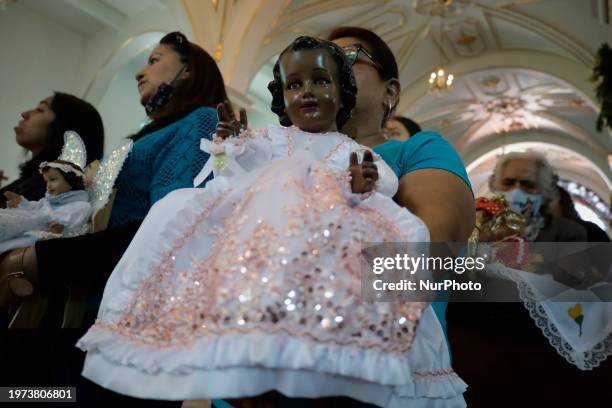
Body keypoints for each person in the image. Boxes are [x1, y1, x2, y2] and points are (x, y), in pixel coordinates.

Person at [76, 36, 466, 407]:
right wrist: (228, 146)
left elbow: (437, 240)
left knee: (398, 237)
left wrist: (362, 187)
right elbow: (228, 176)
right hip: (265, 239)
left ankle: (341, 354)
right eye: (295, 83)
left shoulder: (375, 150)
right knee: (181, 214)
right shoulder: (272, 140)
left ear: (377, 90)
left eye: (327, 74)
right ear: (282, 95)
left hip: (331, 249)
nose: (308, 91)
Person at [0, 31, 227, 406]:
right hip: (86, 307)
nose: (141, 71)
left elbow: (171, 227)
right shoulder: (147, 135)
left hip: (129, 324)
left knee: (49, 395)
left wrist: (40, 260)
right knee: (24, 394)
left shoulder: (200, 121)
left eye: (155, 60)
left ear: (187, 71)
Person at [328, 26, 475, 351]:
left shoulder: (419, 150)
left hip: (382, 352)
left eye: (346, 57)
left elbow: (437, 245)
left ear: (390, 92)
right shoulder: (286, 157)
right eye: (321, 61)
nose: (327, 69)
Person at [446, 151, 612, 406]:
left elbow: (568, 285)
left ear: (545, 191)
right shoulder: (474, 225)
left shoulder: (569, 232)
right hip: (480, 342)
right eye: (509, 182)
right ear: (494, 185)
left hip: (538, 350)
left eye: (528, 185)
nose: (517, 191)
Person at [0, 92, 104, 208]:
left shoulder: (50, 190)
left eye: (40, 109)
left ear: (64, 125)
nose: (24, 114)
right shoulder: (31, 181)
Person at [0, 160, 91, 254]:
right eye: (46, 181)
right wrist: (21, 203)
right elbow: (34, 210)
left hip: (41, 240)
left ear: (71, 181)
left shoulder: (81, 206)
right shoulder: (47, 202)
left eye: (53, 179)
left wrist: (61, 229)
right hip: (28, 233)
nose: (48, 185)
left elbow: (76, 230)